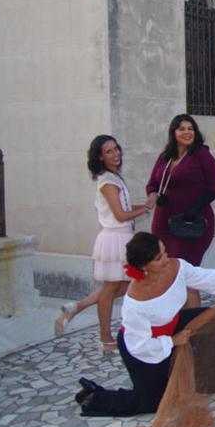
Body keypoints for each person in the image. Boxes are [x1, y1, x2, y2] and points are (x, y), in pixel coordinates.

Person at [74, 232, 215, 417]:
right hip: (142, 346)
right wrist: (172, 341)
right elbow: (138, 343)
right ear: (144, 266)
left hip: (172, 326)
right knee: (152, 402)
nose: (166, 259)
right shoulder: (136, 298)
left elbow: (202, 276)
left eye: (164, 252)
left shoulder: (176, 266)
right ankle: (95, 395)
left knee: (206, 317)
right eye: (158, 258)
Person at [55, 136, 157, 355]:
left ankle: (77, 307)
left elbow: (124, 207)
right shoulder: (108, 182)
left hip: (121, 237)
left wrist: (146, 204)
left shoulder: (113, 177)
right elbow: (121, 215)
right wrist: (148, 207)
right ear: (100, 157)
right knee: (112, 289)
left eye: (116, 149)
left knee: (121, 286)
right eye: (109, 151)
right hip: (115, 239)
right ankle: (105, 339)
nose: (116, 153)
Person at [146, 114, 215, 308]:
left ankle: (192, 326)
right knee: (168, 271)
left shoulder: (202, 155)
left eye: (190, 128)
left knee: (186, 274)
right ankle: (175, 319)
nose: (187, 132)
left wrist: (194, 209)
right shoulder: (165, 157)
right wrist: (154, 196)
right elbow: (152, 184)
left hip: (192, 222)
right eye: (182, 129)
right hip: (164, 222)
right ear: (174, 132)